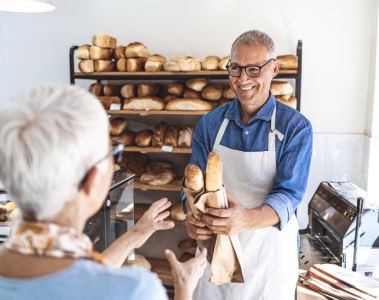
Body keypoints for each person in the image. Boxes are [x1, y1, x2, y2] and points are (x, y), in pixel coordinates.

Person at [0, 84, 207, 300]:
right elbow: (93, 285)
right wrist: (184, 288)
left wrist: (136, 233)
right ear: (91, 178)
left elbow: (82, 279)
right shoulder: (134, 290)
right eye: (113, 155)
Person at [183, 29, 313, 299]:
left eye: (254, 69)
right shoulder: (211, 123)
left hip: (268, 260)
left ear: (274, 68)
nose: (243, 79)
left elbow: (289, 196)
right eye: (235, 68)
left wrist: (245, 219)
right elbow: (192, 185)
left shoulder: (295, 128)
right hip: (213, 255)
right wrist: (191, 216)